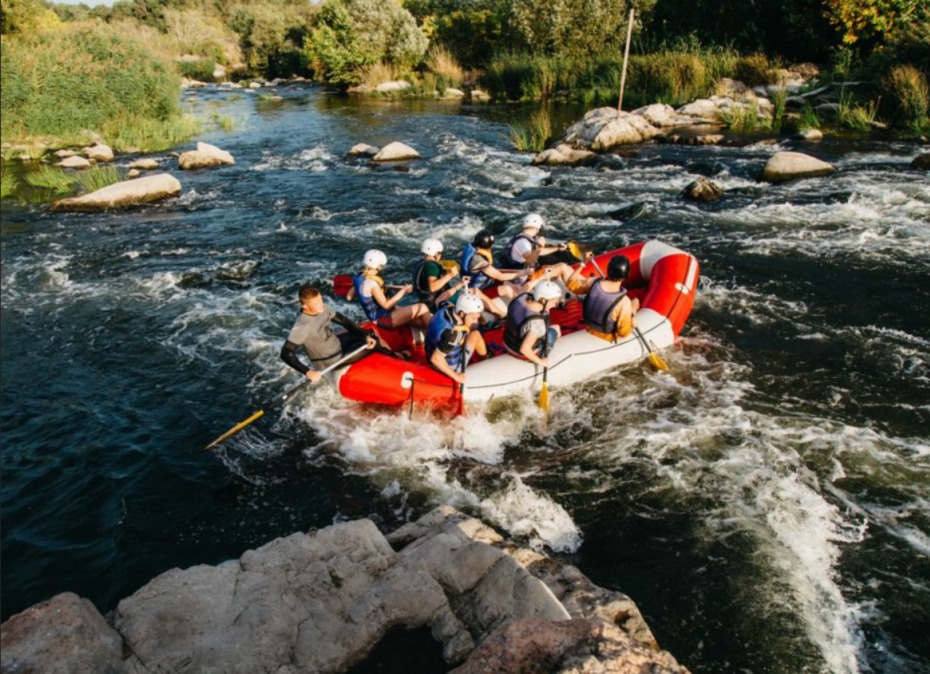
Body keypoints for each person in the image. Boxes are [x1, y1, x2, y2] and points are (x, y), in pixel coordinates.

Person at [281, 284, 376, 383]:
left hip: (337, 345)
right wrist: (308, 372)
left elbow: (345, 322)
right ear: (305, 306)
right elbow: (286, 354)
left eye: (321, 300)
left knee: (370, 334)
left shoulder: (323, 308)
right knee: (375, 345)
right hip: (331, 362)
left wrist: (364, 336)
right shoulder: (302, 326)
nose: (321, 304)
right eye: (316, 303)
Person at [346, 249, 431, 330]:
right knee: (423, 307)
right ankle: (433, 339)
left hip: (380, 315)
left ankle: (428, 332)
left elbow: (349, 297)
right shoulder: (371, 283)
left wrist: (395, 287)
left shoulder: (360, 277)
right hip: (383, 319)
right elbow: (386, 305)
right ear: (378, 265)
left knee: (418, 319)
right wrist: (403, 291)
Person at [503, 213, 584, 292]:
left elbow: (538, 253)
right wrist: (540, 246)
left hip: (525, 274)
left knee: (561, 267)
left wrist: (557, 248)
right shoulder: (523, 242)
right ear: (538, 227)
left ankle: (583, 283)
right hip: (523, 280)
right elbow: (530, 259)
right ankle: (578, 290)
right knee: (562, 267)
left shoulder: (523, 238)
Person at [426, 292, 488, 384]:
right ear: (461, 314)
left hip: (432, 349)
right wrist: (457, 377)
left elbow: (439, 300)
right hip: (450, 366)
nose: (476, 322)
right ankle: (486, 360)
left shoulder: (446, 307)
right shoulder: (454, 334)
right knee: (476, 334)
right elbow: (435, 359)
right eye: (473, 318)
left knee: (470, 330)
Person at [578, 254, 640, 342]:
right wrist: (632, 313)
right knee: (635, 302)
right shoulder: (624, 302)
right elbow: (624, 333)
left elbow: (574, 285)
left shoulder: (593, 283)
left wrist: (583, 263)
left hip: (588, 327)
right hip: (606, 336)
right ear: (625, 276)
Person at [502, 280, 563, 367]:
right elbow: (524, 349)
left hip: (506, 342)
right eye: (554, 301)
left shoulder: (521, 297)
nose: (555, 304)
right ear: (543, 300)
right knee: (555, 329)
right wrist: (542, 362)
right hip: (519, 352)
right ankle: (544, 352)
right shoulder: (537, 324)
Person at [412, 238, 459, 310]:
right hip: (435, 303)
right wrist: (450, 275)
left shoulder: (421, 263)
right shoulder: (432, 266)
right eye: (440, 253)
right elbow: (433, 287)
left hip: (424, 300)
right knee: (469, 292)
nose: (440, 255)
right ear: (436, 253)